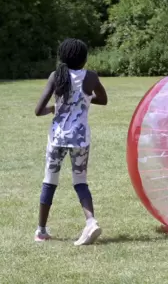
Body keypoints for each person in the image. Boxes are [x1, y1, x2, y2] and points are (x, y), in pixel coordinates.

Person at [34, 38, 108, 245]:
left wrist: (54, 109)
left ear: (62, 57)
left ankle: (41, 230)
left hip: (57, 137)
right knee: (80, 181)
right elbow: (103, 100)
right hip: (80, 138)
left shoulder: (56, 76)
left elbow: (38, 110)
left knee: (49, 181)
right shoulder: (91, 77)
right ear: (84, 59)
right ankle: (91, 221)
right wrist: (84, 98)